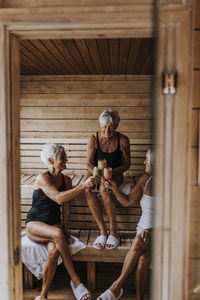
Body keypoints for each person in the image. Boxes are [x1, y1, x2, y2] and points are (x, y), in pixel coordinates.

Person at [25, 143, 96, 300]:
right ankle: (76, 281)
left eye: (65, 157)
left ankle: (42, 296)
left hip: (53, 227)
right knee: (57, 233)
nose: (66, 160)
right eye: (62, 158)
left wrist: (65, 230)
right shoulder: (43, 178)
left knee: (54, 251)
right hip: (34, 225)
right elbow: (58, 198)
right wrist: (83, 186)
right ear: (51, 161)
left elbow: (67, 208)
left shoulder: (67, 181)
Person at [97, 149, 153, 300]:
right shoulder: (145, 179)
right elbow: (127, 202)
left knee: (139, 240)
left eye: (147, 159)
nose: (144, 162)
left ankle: (115, 288)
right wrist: (114, 188)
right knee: (143, 258)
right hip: (142, 231)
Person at [84, 109, 131, 250]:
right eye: (104, 126)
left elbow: (127, 164)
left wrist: (111, 172)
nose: (107, 130)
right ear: (101, 125)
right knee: (87, 187)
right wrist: (96, 174)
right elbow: (88, 164)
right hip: (97, 170)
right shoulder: (93, 139)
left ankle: (114, 232)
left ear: (116, 126)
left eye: (110, 127)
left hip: (115, 171)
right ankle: (103, 231)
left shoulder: (123, 140)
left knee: (105, 188)